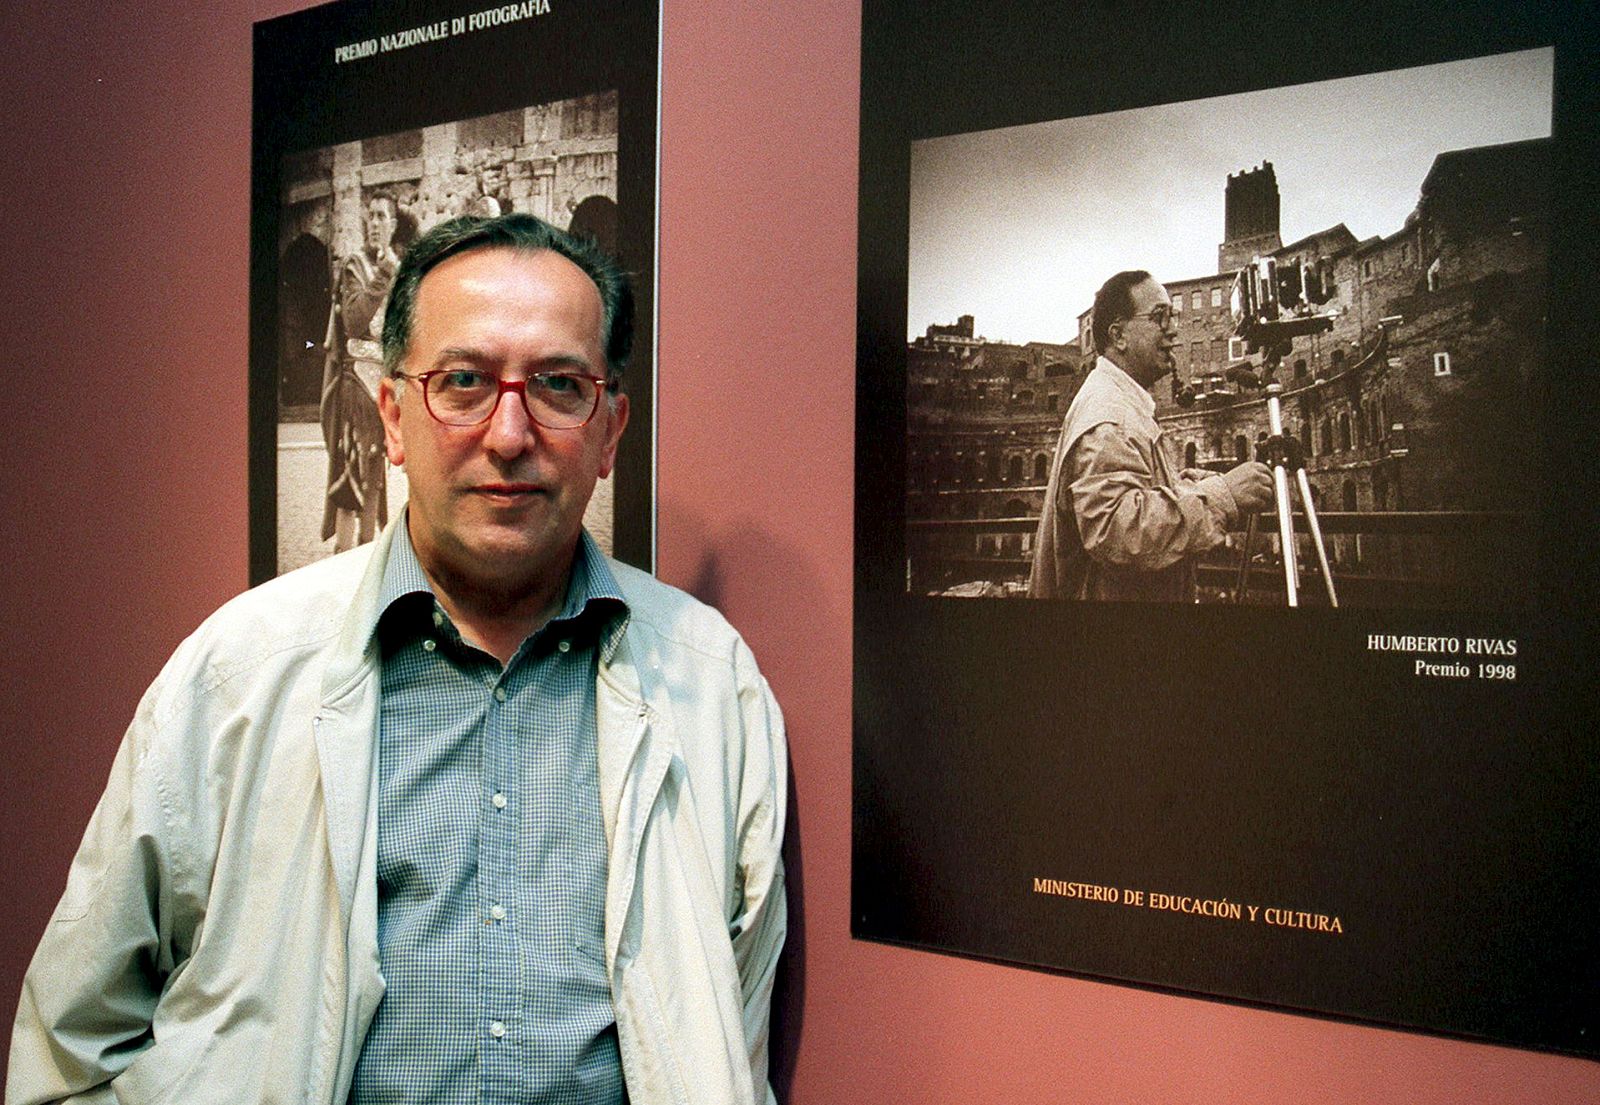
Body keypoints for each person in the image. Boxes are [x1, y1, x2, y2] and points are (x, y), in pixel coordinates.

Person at [9, 213, 788, 1105]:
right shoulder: (234, 674)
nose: (508, 434)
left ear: (610, 428)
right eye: (461, 382)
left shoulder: (712, 686)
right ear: (391, 415)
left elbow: (730, 1039)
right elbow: (71, 1045)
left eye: (559, 385)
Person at [1029, 270, 1274, 602]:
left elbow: (1140, 493)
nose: (1172, 330)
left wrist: (1198, 485)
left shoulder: (1119, 402)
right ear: (1119, 336)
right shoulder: (1109, 418)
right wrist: (1222, 496)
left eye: (1171, 317)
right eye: (1160, 317)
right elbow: (1119, 533)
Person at [320, 191, 400, 552]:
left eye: (383, 216)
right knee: (350, 479)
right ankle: (343, 561)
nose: (375, 223)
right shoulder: (354, 266)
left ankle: (366, 560)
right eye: (372, 216)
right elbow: (353, 322)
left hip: (382, 387)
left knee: (374, 480)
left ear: (393, 225)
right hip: (354, 387)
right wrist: (384, 274)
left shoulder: (397, 271)